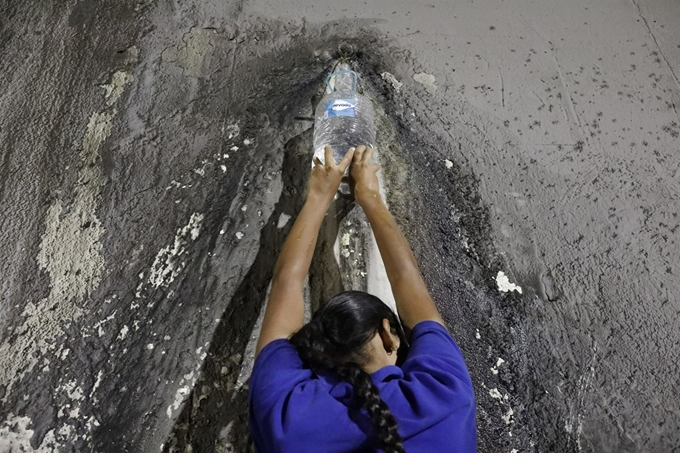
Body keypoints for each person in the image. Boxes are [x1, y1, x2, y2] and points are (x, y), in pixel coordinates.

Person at [248, 145, 476, 452]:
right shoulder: (442, 391)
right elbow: (408, 280)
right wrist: (369, 196)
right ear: (388, 334)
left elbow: (286, 283)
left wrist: (317, 198)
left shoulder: (288, 418)